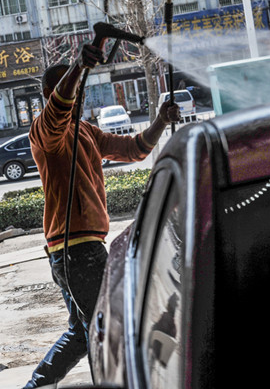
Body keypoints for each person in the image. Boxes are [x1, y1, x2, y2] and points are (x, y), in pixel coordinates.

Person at [23, 43, 180, 388]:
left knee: (84, 333)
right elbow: (57, 111)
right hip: (74, 249)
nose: (78, 94)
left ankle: (35, 386)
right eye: (73, 88)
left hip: (82, 248)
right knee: (105, 330)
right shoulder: (45, 132)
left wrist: (160, 121)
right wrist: (78, 65)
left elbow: (133, 149)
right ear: (53, 93)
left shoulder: (86, 131)